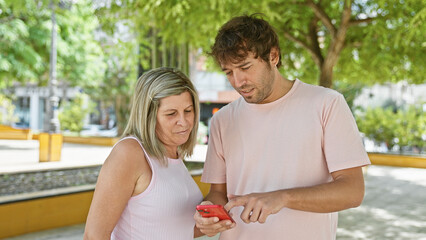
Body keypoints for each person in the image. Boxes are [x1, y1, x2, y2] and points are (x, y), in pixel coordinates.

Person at [194, 14, 371, 240]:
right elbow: (218, 193)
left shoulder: (327, 104)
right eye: (228, 72)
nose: (238, 81)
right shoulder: (223, 120)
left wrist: (283, 198)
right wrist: (208, 213)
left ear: (273, 56)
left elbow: (353, 191)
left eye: (245, 67)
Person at [84, 67, 204, 239]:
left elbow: (170, 229)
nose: (183, 122)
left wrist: (208, 225)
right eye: (171, 114)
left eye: (188, 111)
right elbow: (93, 236)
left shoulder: (173, 155)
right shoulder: (130, 153)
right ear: (148, 115)